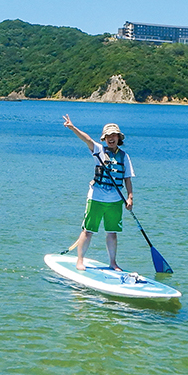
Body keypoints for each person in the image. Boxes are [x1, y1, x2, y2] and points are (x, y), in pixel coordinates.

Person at [59, 115, 132, 273]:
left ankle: (113, 262)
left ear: (119, 138)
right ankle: (80, 260)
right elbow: (87, 139)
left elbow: (127, 178)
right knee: (88, 230)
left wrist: (130, 197)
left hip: (115, 201)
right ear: (104, 138)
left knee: (112, 233)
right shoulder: (99, 150)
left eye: (114, 136)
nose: (111, 139)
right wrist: (72, 127)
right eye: (108, 136)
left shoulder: (124, 156)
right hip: (96, 198)